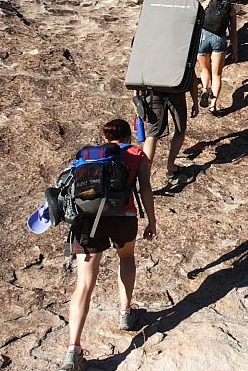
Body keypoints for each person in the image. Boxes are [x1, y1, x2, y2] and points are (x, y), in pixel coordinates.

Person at [61, 119, 156, 371]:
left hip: (88, 221)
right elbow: (144, 187)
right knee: (126, 258)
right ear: (128, 136)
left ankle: (73, 351)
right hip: (123, 218)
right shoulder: (137, 154)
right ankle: (126, 313)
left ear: (105, 138)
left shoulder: (88, 156)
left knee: (84, 284)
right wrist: (151, 221)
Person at [139, 82, 199, 183]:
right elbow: (191, 76)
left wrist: (136, 99)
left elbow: (137, 73)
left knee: (152, 134)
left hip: (153, 91)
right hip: (176, 90)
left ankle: (145, 176)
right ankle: (171, 166)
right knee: (180, 130)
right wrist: (195, 102)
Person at [198, 0, 238, 114]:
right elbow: (233, 32)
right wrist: (235, 51)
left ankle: (205, 89)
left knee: (205, 69)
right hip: (219, 40)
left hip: (203, 37)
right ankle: (213, 105)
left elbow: (196, 20)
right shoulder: (231, 9)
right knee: (217, 74)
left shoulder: (207, 3)